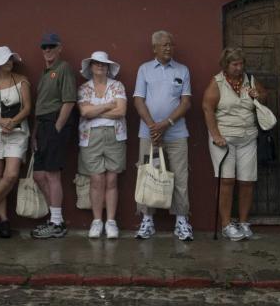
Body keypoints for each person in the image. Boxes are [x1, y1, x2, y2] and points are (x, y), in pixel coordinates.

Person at [133, 30, 194, 241]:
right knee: (148, 175)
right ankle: (147, 220)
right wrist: (153, 126)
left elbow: (186, 102)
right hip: (149, 134)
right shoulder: (144, 69)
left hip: (176, 134)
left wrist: (165, 124)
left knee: (180, 177)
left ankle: (181, 221)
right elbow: (138, 100)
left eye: (171, 44)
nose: (169, 48)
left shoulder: (182, 70)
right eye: (164, 45)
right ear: (155, 48)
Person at [202, 47, 261, 242]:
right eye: (235, 64)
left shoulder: (249, 79)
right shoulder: (217, 82)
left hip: (248, 138)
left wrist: (257, 95)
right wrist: (216, 135)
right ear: (225, 66)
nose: (239, 67)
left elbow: (264, 97)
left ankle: (243, 222)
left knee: (247, 181)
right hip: (224, 140)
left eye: (241, 64)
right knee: (226, 181)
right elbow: (207, 108)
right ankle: (226, 224)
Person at [30, 32, 77, 239]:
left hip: (54, 123)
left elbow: (69, 101)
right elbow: (39, 107)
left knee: (52, 174)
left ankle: (57, 223)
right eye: (44, 47)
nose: (47, 50)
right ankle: (54, 218)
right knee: (39, 175)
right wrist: (34, 134)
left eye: (51, 46)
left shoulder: (64, 68)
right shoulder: (44, 73)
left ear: (59, 48)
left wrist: (58, 127)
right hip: (41, 126)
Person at [0, 46, 32, 239]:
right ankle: (3, 220)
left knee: (10, 175)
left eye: (11, 59)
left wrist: (13, 121)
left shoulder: (21, 81)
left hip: (17, 132)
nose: (10, 62)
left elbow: (28, 108)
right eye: (5, 60)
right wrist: (1, 121)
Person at [77, 51, 127, 240]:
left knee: (112, 180)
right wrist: (107, 106)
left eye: (103, 64)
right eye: (97, 64)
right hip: (90, 137)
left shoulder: (117, 86)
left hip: (115, 135)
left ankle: (111, 221)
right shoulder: (83, 88)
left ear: (108, 68)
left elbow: (121, 110)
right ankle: (97, 221)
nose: (100, 67)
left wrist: (95, 111)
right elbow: (84, 112)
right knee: (97, 180)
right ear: (90, 67)